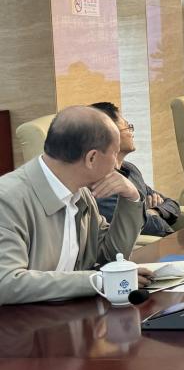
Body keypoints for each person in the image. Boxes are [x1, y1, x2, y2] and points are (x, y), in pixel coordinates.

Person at [0, 106, 147, 305]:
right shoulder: (7, 200)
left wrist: (131, 198)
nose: (116, 164)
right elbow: (6, 283)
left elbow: (109, 256)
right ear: (92, 158)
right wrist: (99, 281)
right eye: (115, 153)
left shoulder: (81, 192)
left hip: (70, 315)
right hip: (22, 322)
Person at [89, 102, 182, 237]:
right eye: (127, 127)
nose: (132, 133)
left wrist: (155, 211)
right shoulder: (102, 184)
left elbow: (173, 204)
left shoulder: (130, 169)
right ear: (110, 133)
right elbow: (142, 226)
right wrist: (147, 213)